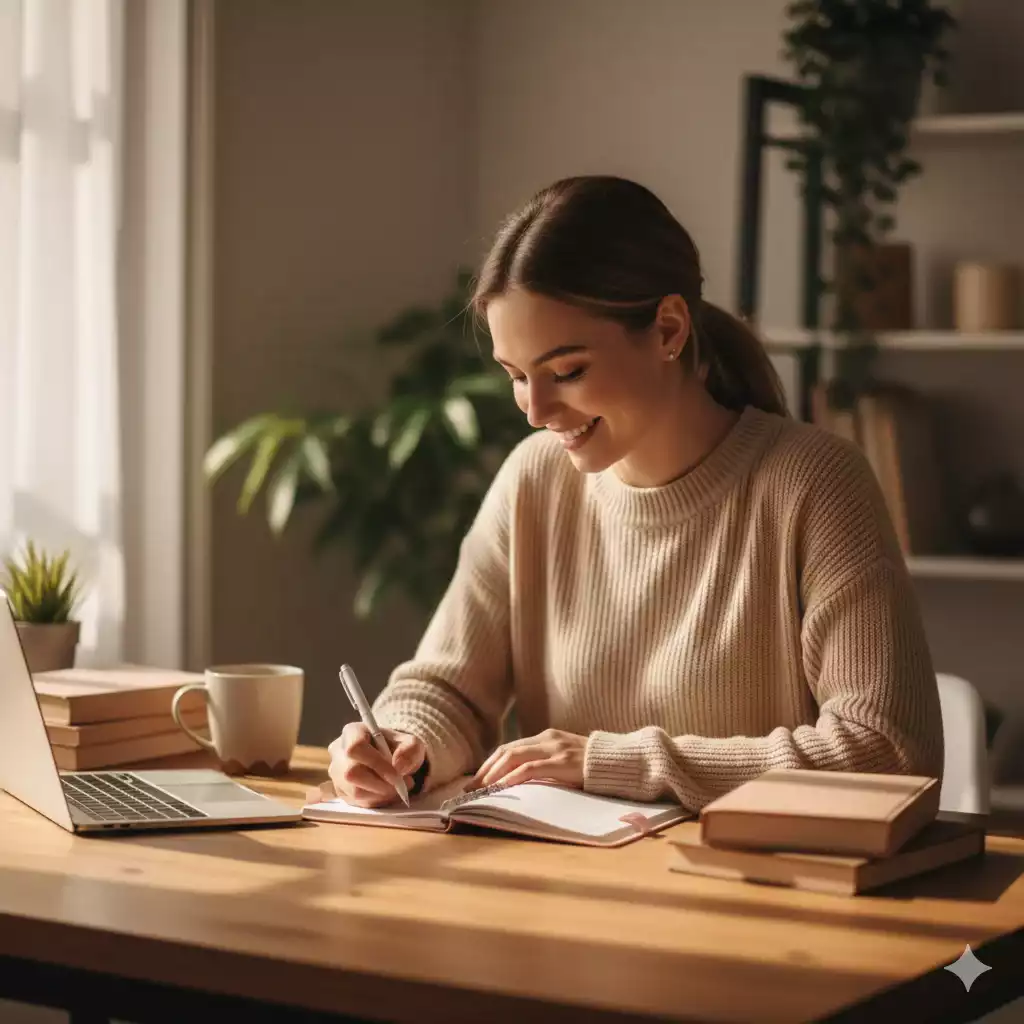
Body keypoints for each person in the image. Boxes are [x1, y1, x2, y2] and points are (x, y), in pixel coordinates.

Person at [326, 175, 944, 810]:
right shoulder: (533, 480)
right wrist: (402, 743)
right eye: (516, 376)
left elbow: (888, 750)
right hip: (573, 889)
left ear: (670, 329)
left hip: (752, 890)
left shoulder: (815, 484)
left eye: (567, 371)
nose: (536, 410)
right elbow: (450, 688)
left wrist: (611, 762)